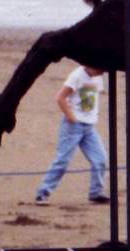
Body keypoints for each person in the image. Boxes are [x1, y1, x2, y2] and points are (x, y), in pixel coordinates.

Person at [35, 65, 109, 205]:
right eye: (97, 69)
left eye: (101, 71)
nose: (99, 73)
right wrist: (71, 118)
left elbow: (93, 97)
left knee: (100, 158)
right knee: (63, 160)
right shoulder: (76, 75)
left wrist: (91, 117)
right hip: (73, 126)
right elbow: (61, 98)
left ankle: (96, 193)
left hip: (89, 126)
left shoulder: (97, 77)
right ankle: (43, 192)